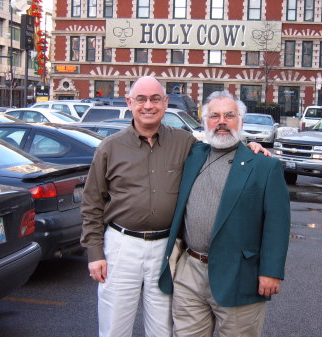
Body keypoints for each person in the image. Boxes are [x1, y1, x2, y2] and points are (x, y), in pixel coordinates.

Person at [80, 76, 270, 337]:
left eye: (155, 99)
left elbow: (221, 146)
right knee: (114, 326)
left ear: (165, 103)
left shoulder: (185, 143)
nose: (149, 105)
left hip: (166, 248)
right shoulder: (110, 148)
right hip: (122, 245)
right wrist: (94, 253)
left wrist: (249, 147)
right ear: (129, 103)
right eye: (141, 99)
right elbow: (92, 203)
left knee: (163, 328)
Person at [158, 90, 291, 337]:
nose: (221, 122)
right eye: (214, 116)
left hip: (239, 273)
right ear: (205, 121)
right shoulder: (193, 156)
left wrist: (271, 272)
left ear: (240, 121)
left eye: (229, 115)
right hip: (190, 270)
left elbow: (277, 223)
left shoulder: (263, 164)